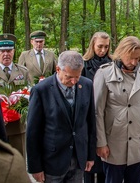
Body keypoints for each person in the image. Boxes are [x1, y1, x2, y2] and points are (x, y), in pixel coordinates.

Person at [94, 36, 140, 183]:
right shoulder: (104, 73)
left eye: (137, 58)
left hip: (137, 139)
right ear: (121, 53)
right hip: (114, 142)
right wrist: (101, 143)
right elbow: (97, 112)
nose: (134, 62)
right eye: (130, 58)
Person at [26, 50, 96, 183]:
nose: (74, 81)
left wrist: (90, 155)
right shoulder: (41, 90)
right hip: (52, 161)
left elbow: (91, 122)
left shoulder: (87, 85)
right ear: (58, 69)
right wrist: (35, 167)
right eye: (69, 77)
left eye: (78, 76)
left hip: (78, 158)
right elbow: (32, 132)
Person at [82, 31, 112, 183]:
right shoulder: (84, 64)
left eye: (106, 47)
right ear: (93, 45)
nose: (103, 50)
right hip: (88, 115)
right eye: (100, 46)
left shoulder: (113, 64)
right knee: (89, 160)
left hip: (106, 115)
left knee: (103, 162)